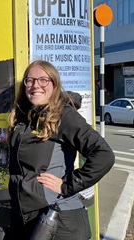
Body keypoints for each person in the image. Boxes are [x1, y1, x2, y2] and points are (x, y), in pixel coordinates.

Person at [7, 60, 115, 240]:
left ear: (54, 84)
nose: (35, 86)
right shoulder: (27, 115)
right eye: (30, 80)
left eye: (43, 80)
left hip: (59, 220)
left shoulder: (63, 115)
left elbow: (104, 155)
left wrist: (66, 185)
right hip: (29, 216)